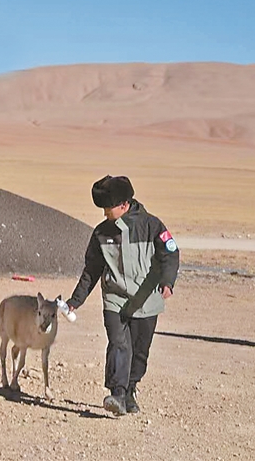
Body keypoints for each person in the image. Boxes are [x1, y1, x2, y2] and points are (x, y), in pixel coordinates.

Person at [64, 175, 179, 416]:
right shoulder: (101, 233)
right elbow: (92, 270)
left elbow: (170, 254)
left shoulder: (152, 226)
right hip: (115, 299)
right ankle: (117, 393)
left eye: (109, 208)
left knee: (139, 350)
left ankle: (129, 391)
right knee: (118, 343)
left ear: (124, 205)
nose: (105, 213)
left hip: (146, 299)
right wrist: (76, 300)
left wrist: (167, 282)